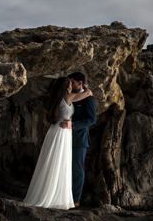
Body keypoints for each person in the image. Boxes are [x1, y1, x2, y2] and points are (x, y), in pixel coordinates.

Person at [22, 76, 92, 209]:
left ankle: (49, 193)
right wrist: (86, 89)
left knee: (52, 161)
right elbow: (86, 94)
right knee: (59, 162)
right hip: (62, 132)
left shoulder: (56, 98)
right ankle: (55, 197)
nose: (71, 86)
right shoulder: (67, 97)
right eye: (70, 84)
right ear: (66, 87)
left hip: (55, 130)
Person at [66, 70, 97, 208]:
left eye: (72, 83)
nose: (70, 85)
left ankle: (75, 200)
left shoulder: (88, 98)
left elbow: (92, 119)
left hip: (79, 139)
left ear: (80, 83)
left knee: (77, 170)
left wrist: (73, 125)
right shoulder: (71, 96)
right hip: (65, 138)